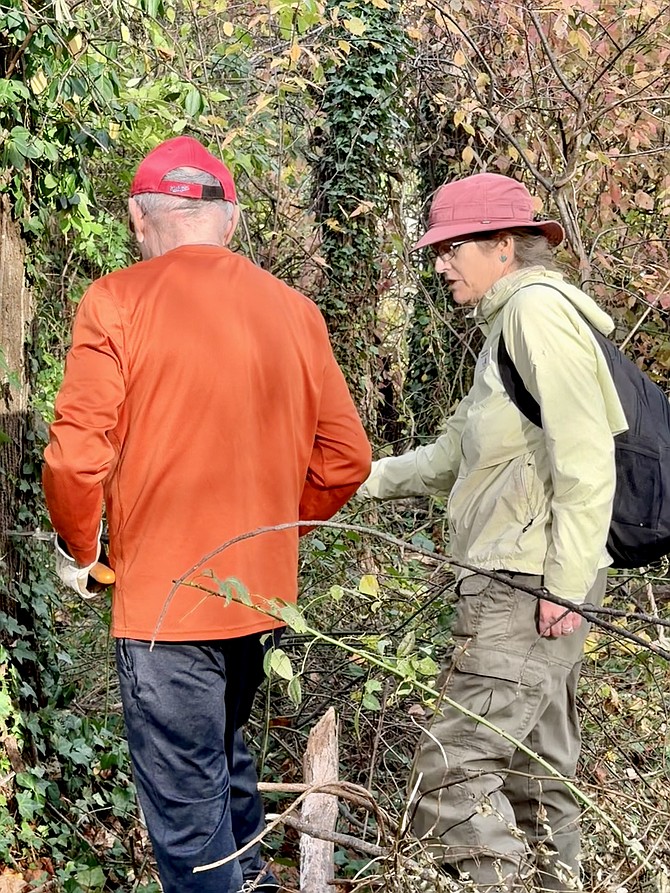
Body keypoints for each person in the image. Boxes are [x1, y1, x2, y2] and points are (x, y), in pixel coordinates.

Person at [43, 135, 372, 893]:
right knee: (225, 765)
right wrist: (274, 533)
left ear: (137, 217)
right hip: (258, 601)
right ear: (230, 218)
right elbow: (346, 458)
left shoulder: (116, 301)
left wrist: (82, 548)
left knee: (190, 816)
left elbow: (72, 459)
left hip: (165, 604)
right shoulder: (295, 310)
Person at [360, 172, 627, 890]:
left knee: (451, 774)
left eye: (452, 247)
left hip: (527, 584)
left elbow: (588, 455)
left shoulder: (534, 315)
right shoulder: (506, 328)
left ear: (504, 246)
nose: (440, 262)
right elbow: (452, 455)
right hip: (535, 579)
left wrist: (565, 586)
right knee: (539, 775)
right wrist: (359, 476)